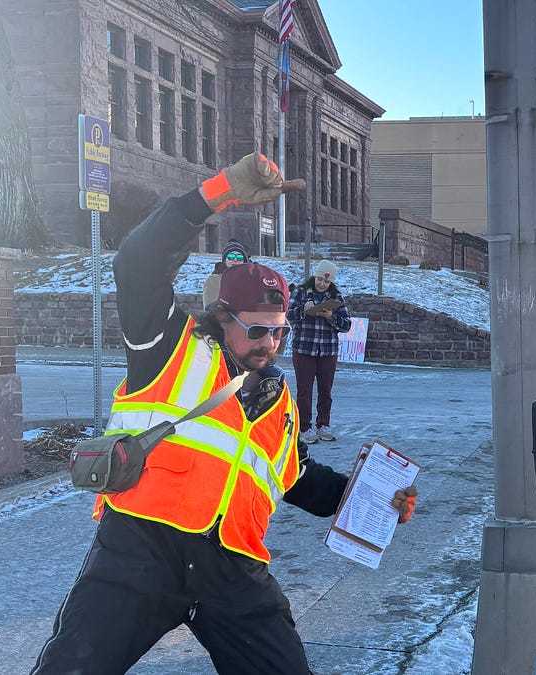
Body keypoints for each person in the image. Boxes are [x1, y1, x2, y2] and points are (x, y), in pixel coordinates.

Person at [32, 153, 418, 675]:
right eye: (256, 329)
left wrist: (370, 496)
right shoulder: (167, 347)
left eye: (278, 329)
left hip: (233, 568)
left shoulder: (281, 402)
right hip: (140, 554)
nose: (270, 342)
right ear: (222, 317)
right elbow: (137, 261)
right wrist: (213, 194)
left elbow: (292, 478)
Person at [286, 259, 352, 444]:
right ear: (314, 276)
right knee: (304, 391)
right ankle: (304, 428)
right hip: (304, 349)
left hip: (327, 350)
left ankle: (323, 425)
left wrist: (332, 317)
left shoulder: (336, 298)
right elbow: (288, 316)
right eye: (320, 279)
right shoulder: (300, 292)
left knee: (326, 391)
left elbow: (347, 325)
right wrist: (303, 310)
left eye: (326, 281)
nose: (322, 284)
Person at [202, 238, 251, 310]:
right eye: (230, 257)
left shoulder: (250, 280)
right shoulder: (215, 279)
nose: (235, 259)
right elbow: (210, 308)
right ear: (225, 260)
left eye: (239, 257)